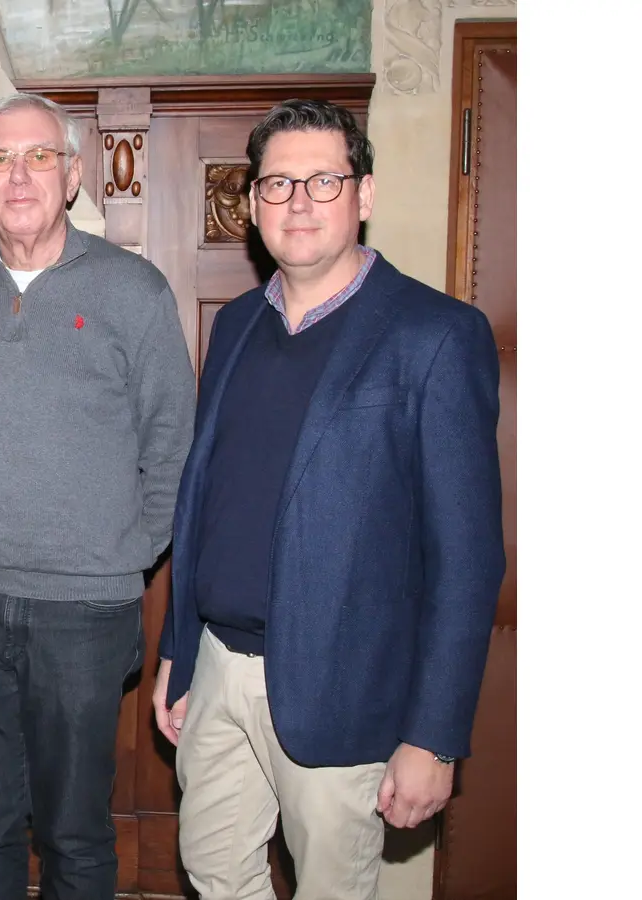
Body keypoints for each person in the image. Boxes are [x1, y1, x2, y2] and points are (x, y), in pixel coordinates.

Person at [152, 99, 505, 900]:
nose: (298, 202)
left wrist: (435, 739)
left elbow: (468, 561)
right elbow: (204, 499)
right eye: (276, 183)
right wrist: (180, 643)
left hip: (344, 689)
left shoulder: (436, 336)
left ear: (364, 195)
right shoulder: (237, 322)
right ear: (251, 205)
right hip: (216, 671)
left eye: (322, 179)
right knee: (214, 872)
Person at [0, 92, 196, 900]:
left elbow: (172, 443)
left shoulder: (133, 291)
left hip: (85, 612)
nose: (18, 175)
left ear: (73, 175)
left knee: (75, 834)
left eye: (39, 156)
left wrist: (125, 553)